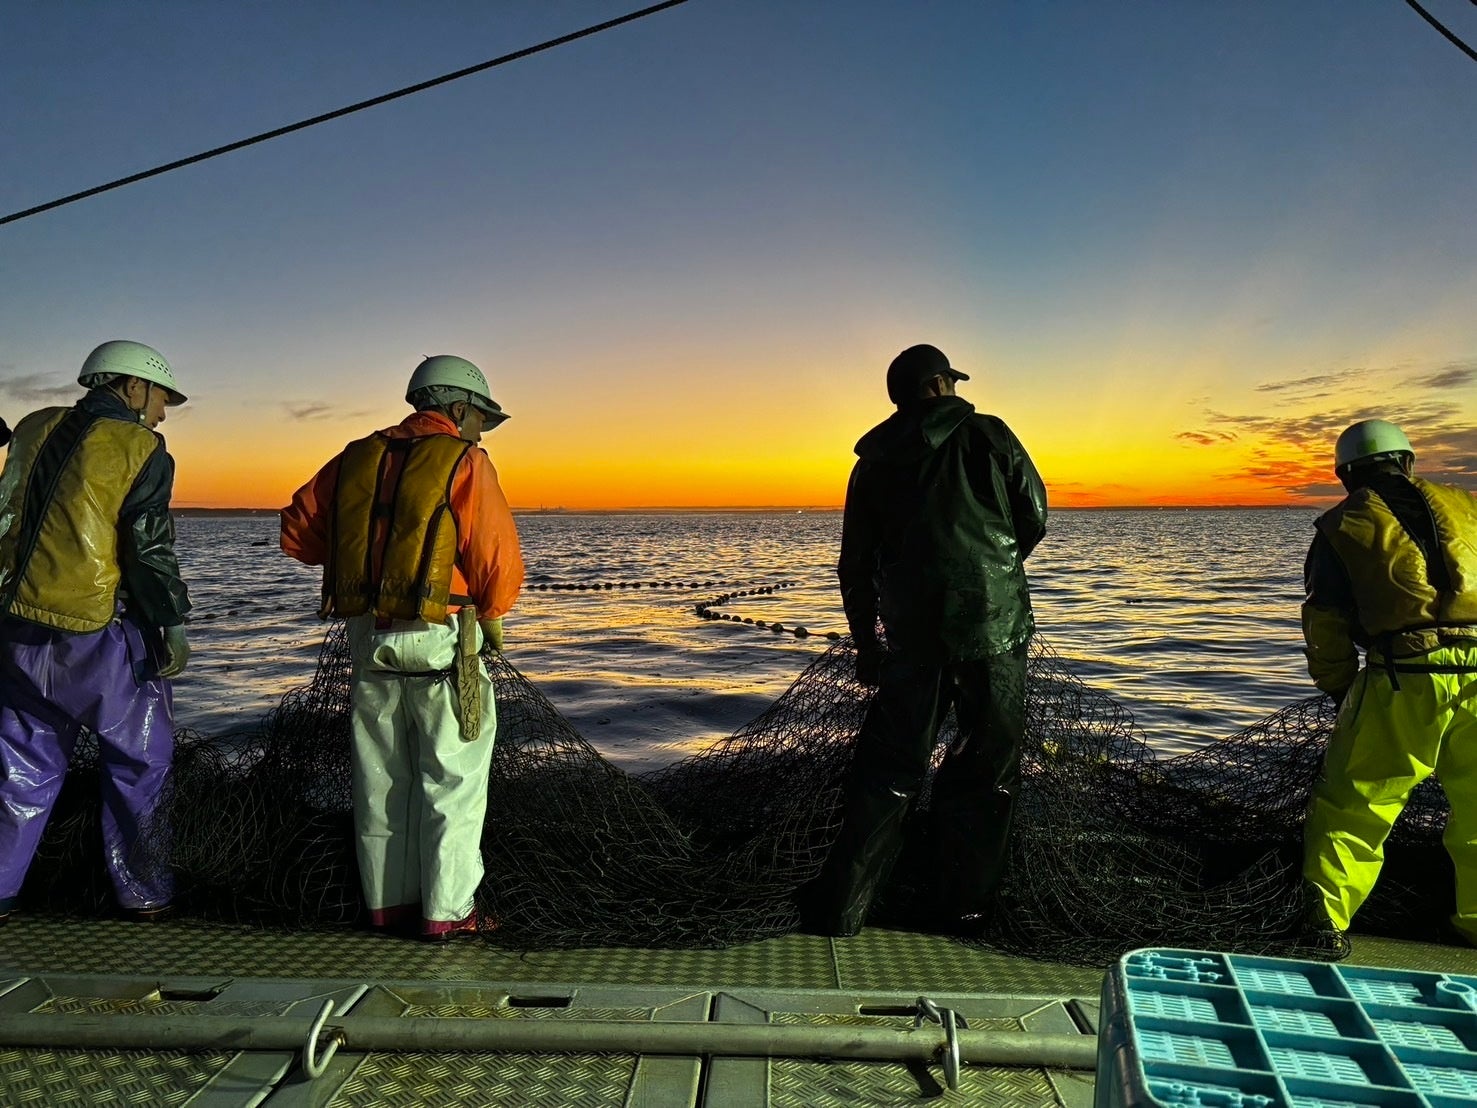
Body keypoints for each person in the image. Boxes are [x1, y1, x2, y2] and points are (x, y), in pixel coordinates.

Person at [805, 342, 1048, 937]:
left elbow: (854, 565)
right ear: (940, 386)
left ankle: (843, 910)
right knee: (986, 771)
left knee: (889, 770)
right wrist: (996, 570)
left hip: (911, 636)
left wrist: (867, 644)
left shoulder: (872, 462)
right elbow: (1034, 515)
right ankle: (963, 912)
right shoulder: (989, 435)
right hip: (994, 626)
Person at [281, 354, 524, 941]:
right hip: (444, 635)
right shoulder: (465, 460)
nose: (478, 430)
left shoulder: (357, 456)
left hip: (368, 636)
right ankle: (448, 913)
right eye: (478, 419)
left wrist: (362, 553)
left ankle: (387, 906)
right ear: (459, 408)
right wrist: (493, 614)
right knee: (453, 780)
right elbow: (495, 554)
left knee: (380, 779)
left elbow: (297, 531)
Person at [0, 340, 192, 925]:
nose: (161, 411)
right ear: (133, 387)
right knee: (141, 763)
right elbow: (147, 546)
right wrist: (171, 623)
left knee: (17, 770)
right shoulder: (141, 446)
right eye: (160, 397)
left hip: (16, 627)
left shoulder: (32, 427)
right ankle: (145, 894)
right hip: (98, 633)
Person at [1301, 419, 1477, 942]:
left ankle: (1324, 922)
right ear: (1408, 460)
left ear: (1346, 475)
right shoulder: (1469, 507)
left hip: (1406, 676)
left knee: (1355, 804)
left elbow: (1325, 620)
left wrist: (1339, 689)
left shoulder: (1340, 525)